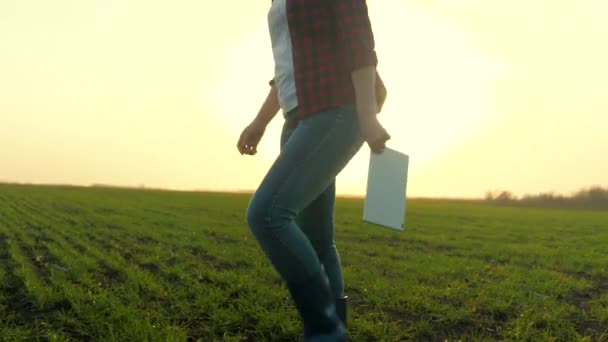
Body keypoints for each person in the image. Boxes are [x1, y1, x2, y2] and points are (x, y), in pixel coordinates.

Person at [237, 0, 389, 340]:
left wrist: (367, 115)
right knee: (316, 236)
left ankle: (326, 332)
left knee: (266, 215)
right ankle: (333, 329)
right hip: (298, 117)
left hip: (336, 109)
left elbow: (359, 44)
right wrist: (261, 121)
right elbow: (289, 64)